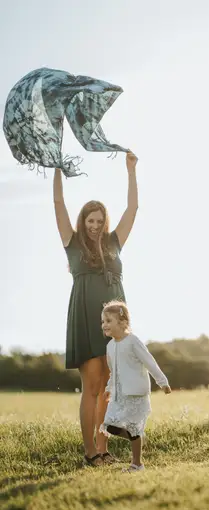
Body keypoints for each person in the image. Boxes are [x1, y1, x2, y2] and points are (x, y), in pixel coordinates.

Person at [53, 152, 138, 467]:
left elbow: (133, 209)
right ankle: (89, 453)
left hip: (115, 322)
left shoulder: (114, 242)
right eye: (90, 220)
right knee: (91, 387)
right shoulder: (73, 244)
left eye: (100, 221)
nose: (95, 225)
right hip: (88, 319)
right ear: (82, 221)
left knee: (108, 389)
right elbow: (59, 205)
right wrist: (58, 171)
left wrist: (130, 171)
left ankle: (103, 450)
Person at [100, 300, 171, 472]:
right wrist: (109, 388)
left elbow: (150, 363)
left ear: (123, 322)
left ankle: (137, 463)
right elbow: (113, 371)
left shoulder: (133, 341)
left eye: (109, 321)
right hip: (119, 395)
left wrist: (163, 382)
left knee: (132, 428)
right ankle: (138, 438)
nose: (104, 325)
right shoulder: (110, 346)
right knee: (110, 426)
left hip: (135, 394)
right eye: (103, 321)